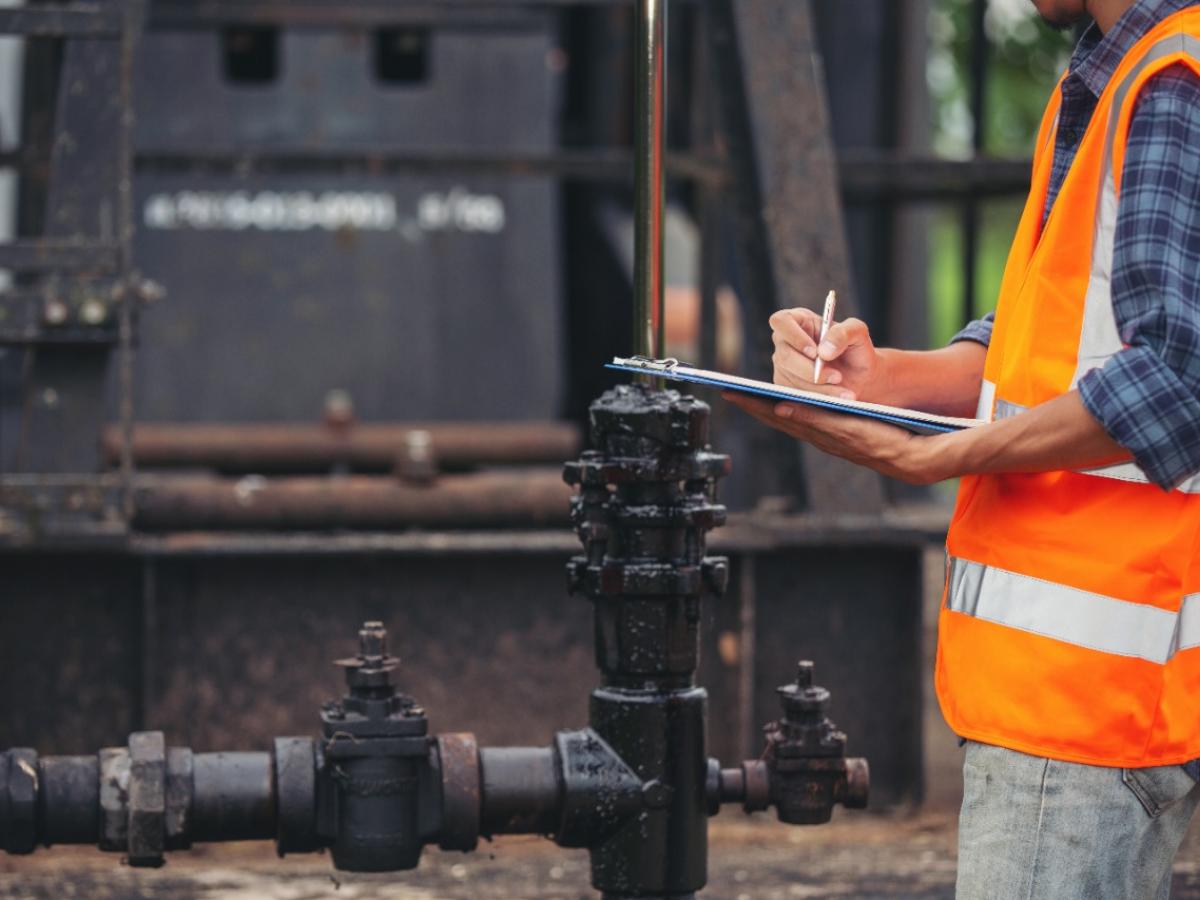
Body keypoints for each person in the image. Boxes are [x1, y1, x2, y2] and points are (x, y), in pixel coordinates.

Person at [725, 1, 1200, 897]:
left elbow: (1175, 378)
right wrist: (882, 378)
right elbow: (1054, 343)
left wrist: (938, 459)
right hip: (1094, 687)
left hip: (1081, 693)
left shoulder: (1170, 84)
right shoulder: (1118, 74)